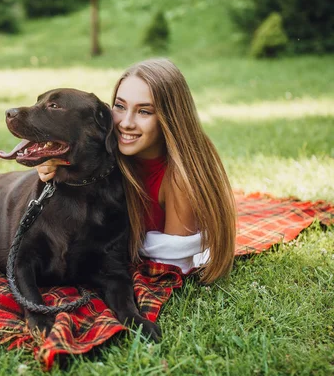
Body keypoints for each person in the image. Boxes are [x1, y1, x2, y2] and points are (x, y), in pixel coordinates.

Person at [36, 58, 236, 283]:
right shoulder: (108, 153)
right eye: (120, 106)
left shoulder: (180, 177)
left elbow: (170, 265)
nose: (125, 123)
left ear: (170, 119)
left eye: (144, 112)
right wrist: (55, 165)